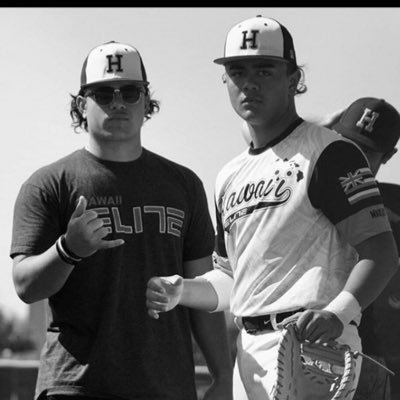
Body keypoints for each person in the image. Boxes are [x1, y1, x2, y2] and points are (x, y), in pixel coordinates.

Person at [146, 15, 399, 400]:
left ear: (294, 78)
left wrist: (339, 313)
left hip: (315, 344)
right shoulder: (228, 175)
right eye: (237, 70)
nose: (249, 81)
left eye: (265, 69)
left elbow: (380, 252)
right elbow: (233, 281)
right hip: (248, 350)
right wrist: (183, 291)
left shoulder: (331, 153)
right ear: (225, 80)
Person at [10, 40, 233, 400]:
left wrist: (223, 375)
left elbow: (201, 286)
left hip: (168, 387)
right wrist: (68, 250)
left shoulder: (184, 184)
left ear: (147, 102)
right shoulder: (49, 183)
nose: (117, 102)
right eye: (103, 93)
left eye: (130, 92)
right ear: (82, 105)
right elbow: (25, 286)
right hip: (76, 385)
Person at [328, 97, 400, 400]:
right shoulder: (311, 189)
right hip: (315, 348)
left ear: (389, 155)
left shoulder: (396, 200)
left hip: (377, 356)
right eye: (347, 145)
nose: (355, 158)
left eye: (366, 152)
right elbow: (255, 133)